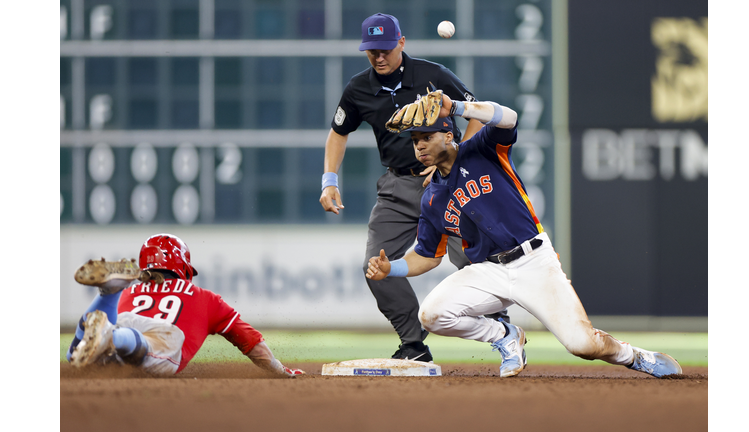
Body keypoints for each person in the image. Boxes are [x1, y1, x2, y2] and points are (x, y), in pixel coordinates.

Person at [366, 91, 683, 378]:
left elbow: (509, 118)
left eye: (426, 136)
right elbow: (426, 254)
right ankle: (504, 335)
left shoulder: (482, 150)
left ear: (448, 135)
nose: (418, 145)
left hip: (533, 261)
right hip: (488, 270)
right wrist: (391, 268)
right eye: (414, 140)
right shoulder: (432, 198)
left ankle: (635, 356)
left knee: (582, 345)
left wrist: (459, 106)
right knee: (432, 315)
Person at [319, 12, 508, 362]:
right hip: (397, 185)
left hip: (446, 181)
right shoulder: (359, 88)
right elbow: (338, 133)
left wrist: (455, 159)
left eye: (386, 48)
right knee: (376, 266)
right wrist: (329, 181)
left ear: (401, 43)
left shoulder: (432, 75)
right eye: (372, 50)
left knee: (470, 256)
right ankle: (413, 344)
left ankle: (500, 325)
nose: (379, 56)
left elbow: (478, 114)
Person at [66, 233, 304, 377]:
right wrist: (280, 371)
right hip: (159, 336)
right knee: (150, 348)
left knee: (76, 358)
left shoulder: (132, 290)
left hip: (119, 322)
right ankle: (111, 336)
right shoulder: (205, 298)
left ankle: (108, 297)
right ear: (183, 267)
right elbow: (251, 341)